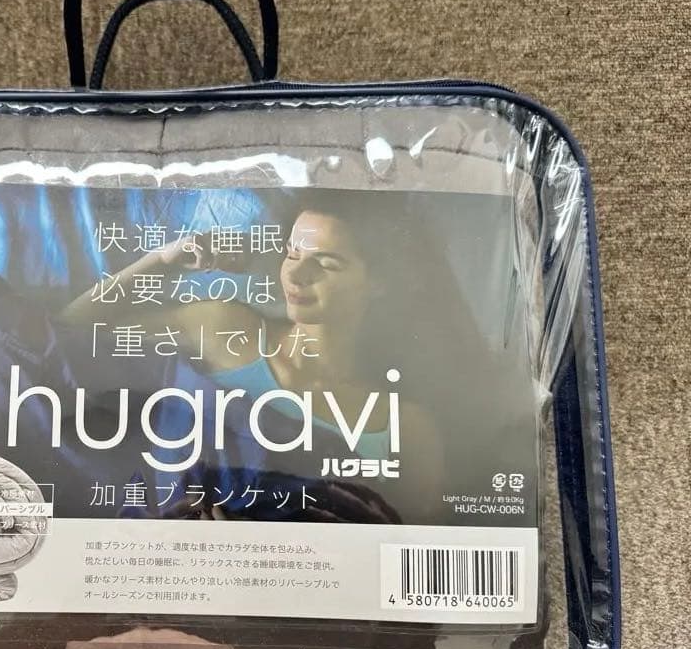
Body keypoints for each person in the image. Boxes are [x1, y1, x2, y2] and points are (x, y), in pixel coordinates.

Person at [60, 192, 456, 520]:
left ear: (379, 281)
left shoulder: (404, 428)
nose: (296, 275)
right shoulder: (226, 329)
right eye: (292, 254)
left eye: (326, 264)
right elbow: (71, 331)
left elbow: (407, 558)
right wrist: (162, 263)